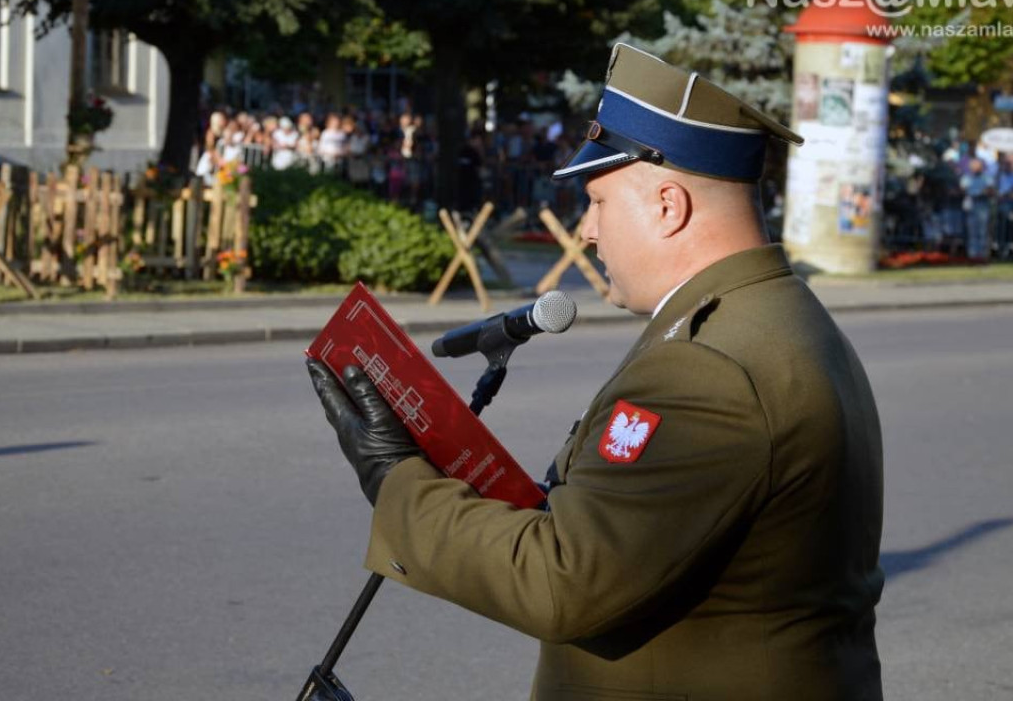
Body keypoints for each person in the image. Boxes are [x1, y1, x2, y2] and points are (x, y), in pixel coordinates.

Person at [306, 43, 885, 700]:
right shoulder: (775, 315)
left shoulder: (710, 368)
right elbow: (622, 529)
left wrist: (396, 479)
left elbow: (564, 583)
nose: (586, 231)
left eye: (600, 203)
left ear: (669, 205)